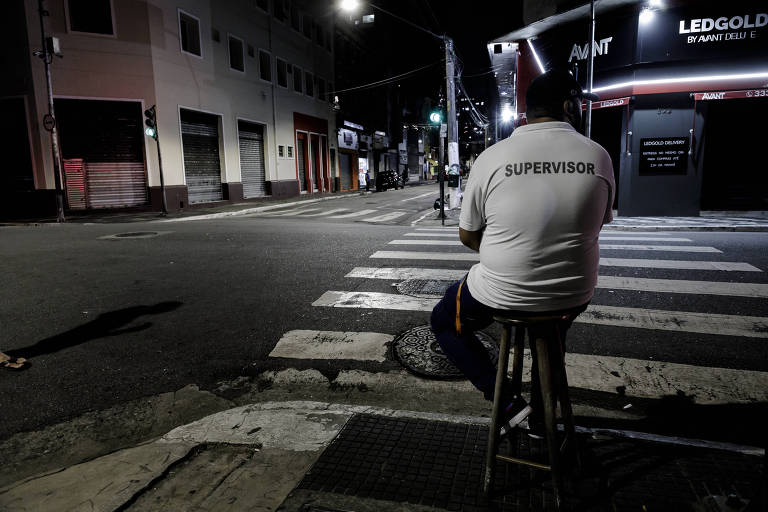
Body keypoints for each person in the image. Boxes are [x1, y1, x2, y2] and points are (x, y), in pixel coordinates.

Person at [430, 69, 615, 437]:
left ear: (528, 111)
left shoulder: (492, 157)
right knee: (551, 334)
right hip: (572, 295)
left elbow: (467, 235)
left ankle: (511, 407)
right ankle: (544, 418)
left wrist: (512, 250)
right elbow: (596, 225)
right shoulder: (599, 156)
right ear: (568, 106)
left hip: (504, 294)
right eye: (577, 102)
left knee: (443, 321)